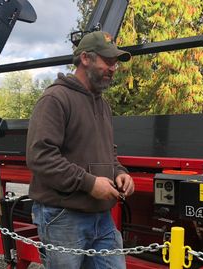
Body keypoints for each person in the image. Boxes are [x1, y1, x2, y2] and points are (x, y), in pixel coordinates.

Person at [26, 31, 135, 269]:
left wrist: (119, 171)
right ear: (85, 58)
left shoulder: (103, 104)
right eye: (108, 61)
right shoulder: (56, 99)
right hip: (63, 217)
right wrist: (89, 183)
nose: (113, 68)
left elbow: (107, 151)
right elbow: (40, 156)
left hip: (101, 217)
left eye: (115, 63)